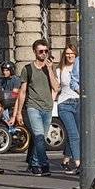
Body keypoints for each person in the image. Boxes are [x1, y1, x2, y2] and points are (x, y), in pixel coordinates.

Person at [13, 38, 59, 177]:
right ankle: (44, 165)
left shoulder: (50, 68)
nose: (44, 54)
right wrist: (19, 113)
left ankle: (34, 163)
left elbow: (56, 87)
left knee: (41, 138)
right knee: (38, 137)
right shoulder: (27, 69)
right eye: (41, 51)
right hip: (33, 107)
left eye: (46, 51)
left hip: (47, 107)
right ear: (34, 52)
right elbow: (22, 92)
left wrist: (50, 69)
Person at [57, 46, 80, 175]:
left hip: (79, 103)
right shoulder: (60, 70)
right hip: (65, 104)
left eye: (72, 53)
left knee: (76, 135)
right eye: (67, 54)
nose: (70, 56)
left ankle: (65, 160)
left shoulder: (81, 68)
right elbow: (56, 88)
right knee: (73, 135)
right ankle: (78, 163)